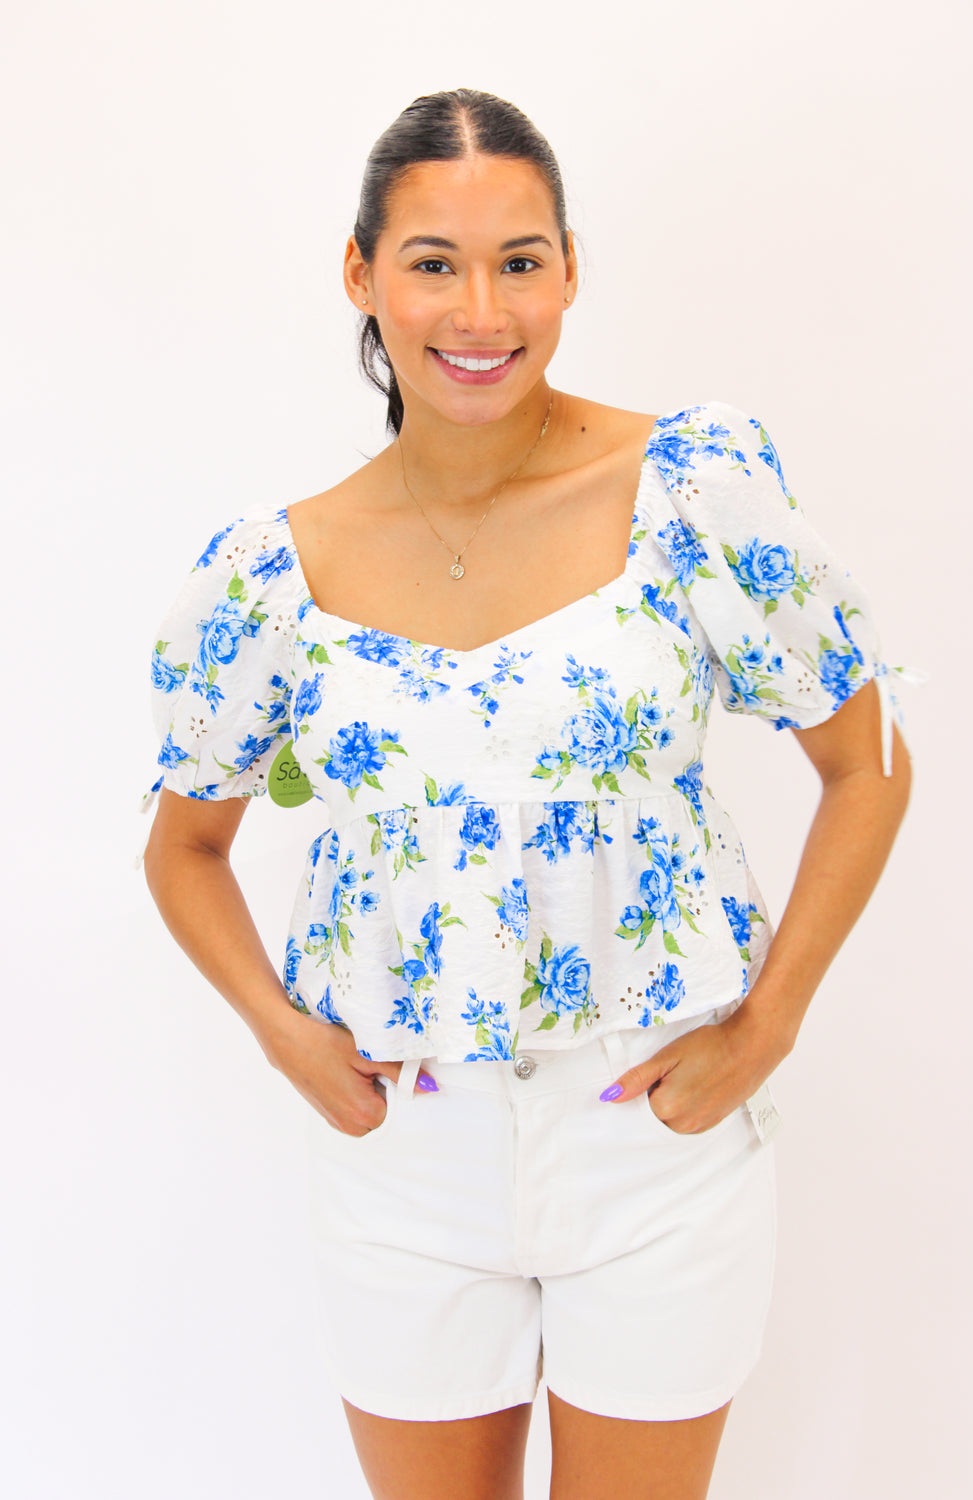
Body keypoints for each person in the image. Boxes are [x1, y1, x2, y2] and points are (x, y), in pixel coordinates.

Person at [141, 88, 917, 1500]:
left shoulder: (690, 491)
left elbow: (863, 762)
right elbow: (184, 844)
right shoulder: (274, 573)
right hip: (405, 1148)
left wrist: (770, 1023)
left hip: (653, 1128)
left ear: (569, 271)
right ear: (361, 274)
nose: (481, 311)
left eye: (521, 261)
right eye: (433, 262)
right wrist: (282, 1035)